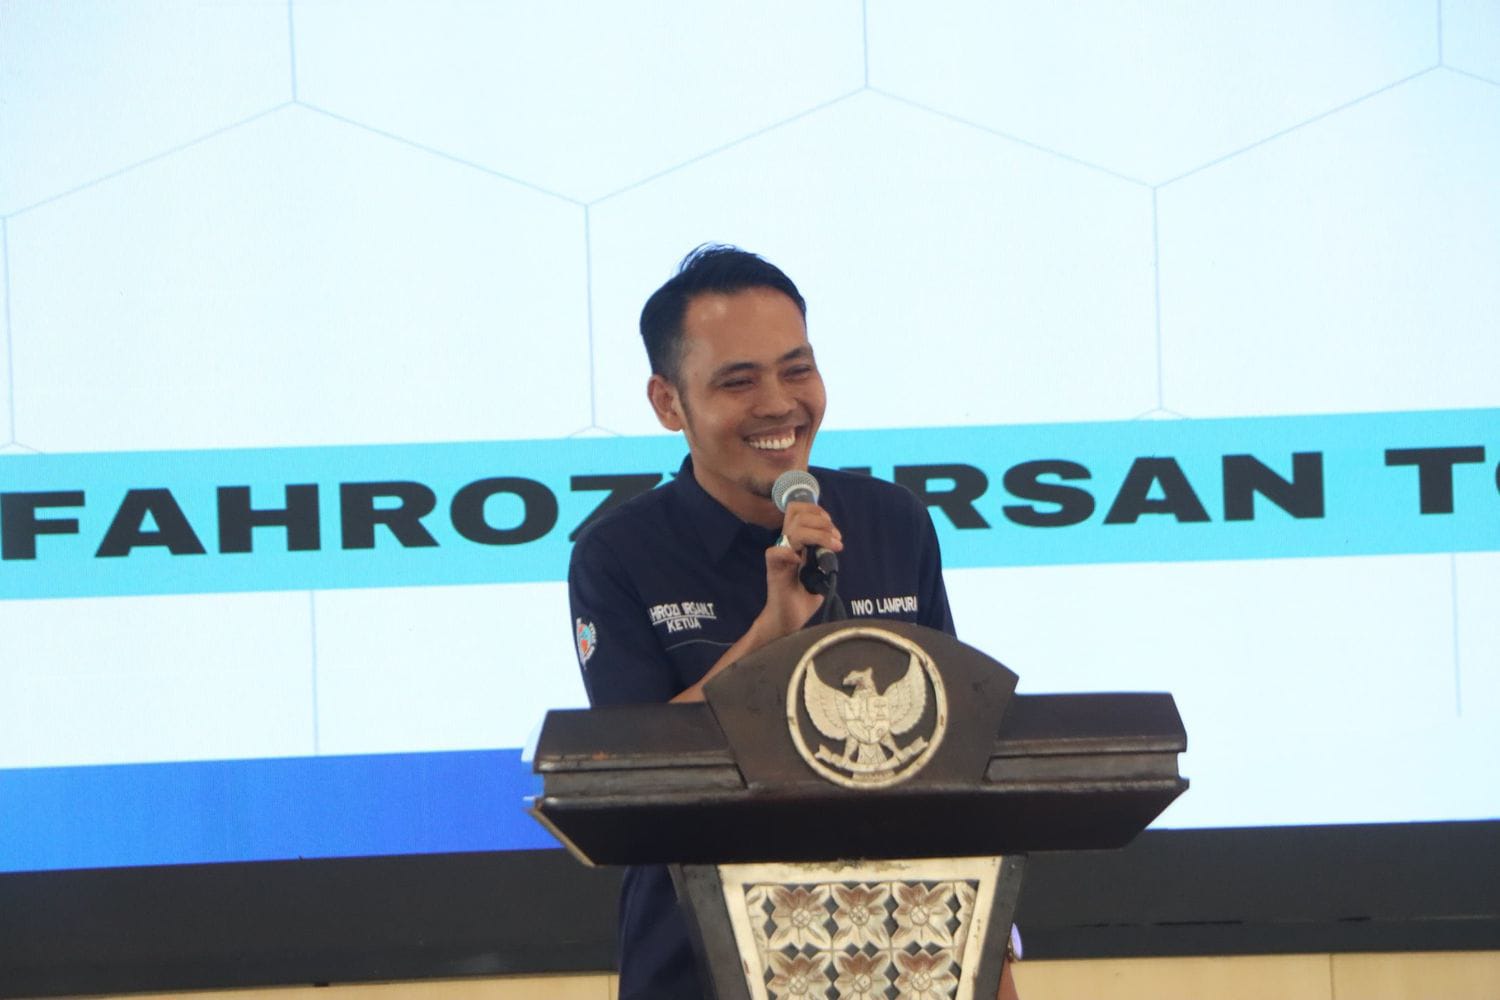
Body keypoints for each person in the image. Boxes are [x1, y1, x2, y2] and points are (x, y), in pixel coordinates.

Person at [567, 245, 976, 998]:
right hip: (696, 961)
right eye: (739, 381)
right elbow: (631, 776)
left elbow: (953, 748)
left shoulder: (893, 522)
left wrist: (994, 950)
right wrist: (772, 635)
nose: (780, 404)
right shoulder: (618, 554)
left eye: (797, 370)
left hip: (897, 956)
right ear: (668, 403)